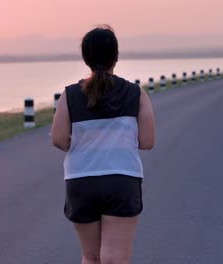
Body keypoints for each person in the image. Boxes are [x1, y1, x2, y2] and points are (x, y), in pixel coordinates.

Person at [51, 25, 156, 264]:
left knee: (91, 257)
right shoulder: (136, 93)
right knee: (114, 258)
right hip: (122, 179)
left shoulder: (69, 95)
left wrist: (85, 146)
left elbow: (58, 139)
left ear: (85, 58)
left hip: (81, 180)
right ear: (116, 57)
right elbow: (148, 141)